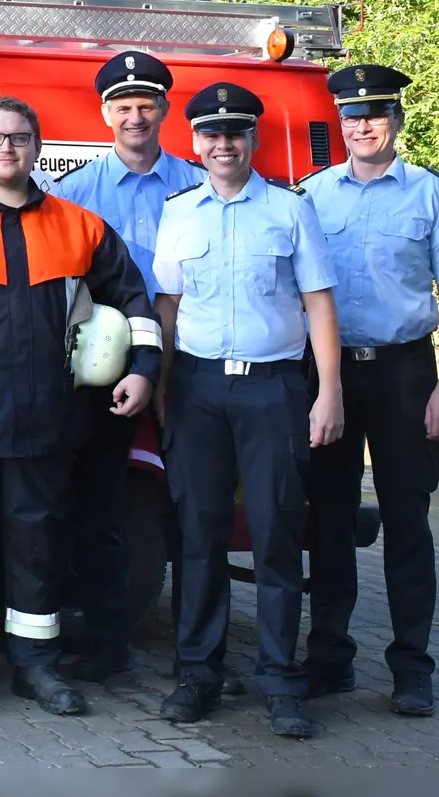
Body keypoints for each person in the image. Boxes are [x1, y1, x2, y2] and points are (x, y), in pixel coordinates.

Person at [0, 96, 161, 718]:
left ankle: (36, 666)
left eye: (19, 139)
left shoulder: (80, 227)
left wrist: (145, 369)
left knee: (38, 546)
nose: (6, 149)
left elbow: (135, 302)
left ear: (37, 147)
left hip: (48, 420)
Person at [151, 82, 343, 738]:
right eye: (211, 133)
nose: (223, 144)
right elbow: (169, 308)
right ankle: (198, 674)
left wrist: (329, 391)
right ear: (196, 142)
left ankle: (280, 680)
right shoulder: (181, 213)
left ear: (252, 139)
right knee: (198, 538)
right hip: (199, 390)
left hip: (274, 389)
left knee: (276, 537)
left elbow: (319, 301)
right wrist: (163, 389)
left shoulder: (290, 210)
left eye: (235, 133)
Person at [299, 64, 439, 717]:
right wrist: (319, 386)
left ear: (396, 121)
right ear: (340, 124)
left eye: (375, 114)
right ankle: (329, 659)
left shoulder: (433, 195)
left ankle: (412, 668)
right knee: (332, 519)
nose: (364, 125)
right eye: (352, 115)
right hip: (333, 373)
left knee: (407, 520)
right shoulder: (312, 196)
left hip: (406, 372)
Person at [53, 52, 206, 682]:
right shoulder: (71, 194)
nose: (135, 116)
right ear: (104, 113)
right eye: (123, 105)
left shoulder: (200, 186)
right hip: (101, 376)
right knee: (97, 508)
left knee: (195, 511)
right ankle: (92, 641)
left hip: (194, 370)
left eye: (146, 105)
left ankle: (193, 648)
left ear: (164, 111)